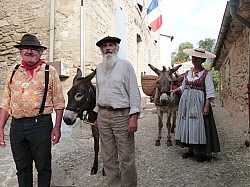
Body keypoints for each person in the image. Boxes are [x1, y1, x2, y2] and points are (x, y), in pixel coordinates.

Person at [0, 34, 65, 186]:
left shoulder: (49, 71)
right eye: (25, 48)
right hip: (17, 126)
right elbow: (5, 102)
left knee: (43, 167)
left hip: (40, 124)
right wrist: (1, 127)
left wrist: (57, 127)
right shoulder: (13, 71)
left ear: (40, 52)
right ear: (20, 52)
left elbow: (59, 103)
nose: (29, 51)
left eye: (34, 49)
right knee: (22, 168)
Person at [94, 36, 141, 187]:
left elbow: (134, 92)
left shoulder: (126, 66)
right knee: (108, 157)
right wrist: (96, 115)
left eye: (111, 45)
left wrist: (133, 116)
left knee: (126, 156)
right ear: (101, 50)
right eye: (104, 46)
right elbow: (98, 93)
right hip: (103, 115)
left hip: (122, 115)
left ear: (116, 48)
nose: (107, 48)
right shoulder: (99, 68)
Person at [172, 48, 220, 162]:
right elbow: (184, 86)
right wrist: (175, 90)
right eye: (193, 57)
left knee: (198, 126)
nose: (194, 59)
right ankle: (190, 150)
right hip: (186, 103)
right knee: (187, 124)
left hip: (199, 103)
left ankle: (201, 152)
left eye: (197, 57)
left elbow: (210, 91)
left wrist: (207, 106)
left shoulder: (206, 74)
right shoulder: (188, 73)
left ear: (202, 59)